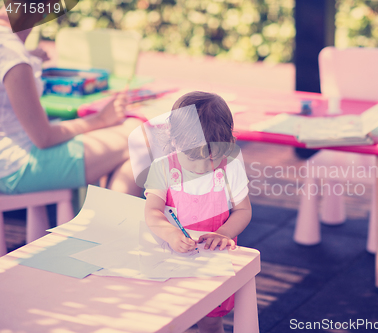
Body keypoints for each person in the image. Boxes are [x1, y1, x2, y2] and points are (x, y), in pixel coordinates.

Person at [0, 5, 143, 196]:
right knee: (140, 140)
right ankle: (109, 222)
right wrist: (100, 120)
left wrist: (29, 56)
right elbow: (44, 138)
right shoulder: (14, 57)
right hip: (15, 166)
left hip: (11, 157)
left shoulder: (10, 46)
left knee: (131, 139)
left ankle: (107, 219)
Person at [143, 91, 252, 333]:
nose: (203, 167)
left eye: (211, 157)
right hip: (172, 257)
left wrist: (223, 234)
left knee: (211, 318)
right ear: (174, 142)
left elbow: (243, 210)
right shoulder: (163, 167)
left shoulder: (230, 164)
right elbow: (152, 211)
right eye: (193, 159)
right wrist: (170, 234)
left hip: (215, 261)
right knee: (168, 316)